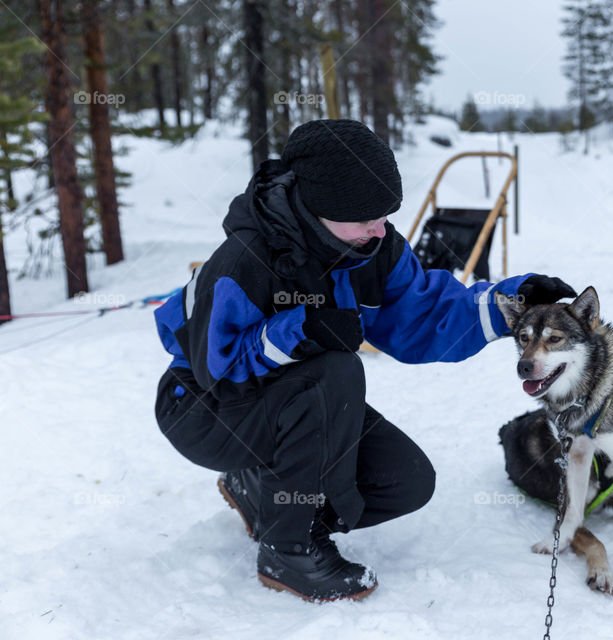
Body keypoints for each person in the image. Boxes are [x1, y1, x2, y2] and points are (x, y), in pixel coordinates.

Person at [152, 119, 574, 603]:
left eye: (385, 214)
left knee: (406, 481)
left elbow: (424, 315)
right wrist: (301, 331)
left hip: (293, 404)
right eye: (365, 218)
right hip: (203, 409)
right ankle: (288, 547)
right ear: (320, 208)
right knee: (337, 369)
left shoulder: (374, 248)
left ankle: (264, 493)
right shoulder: (246, 260)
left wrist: (510, 304)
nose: (380, 228)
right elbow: (218, 369)